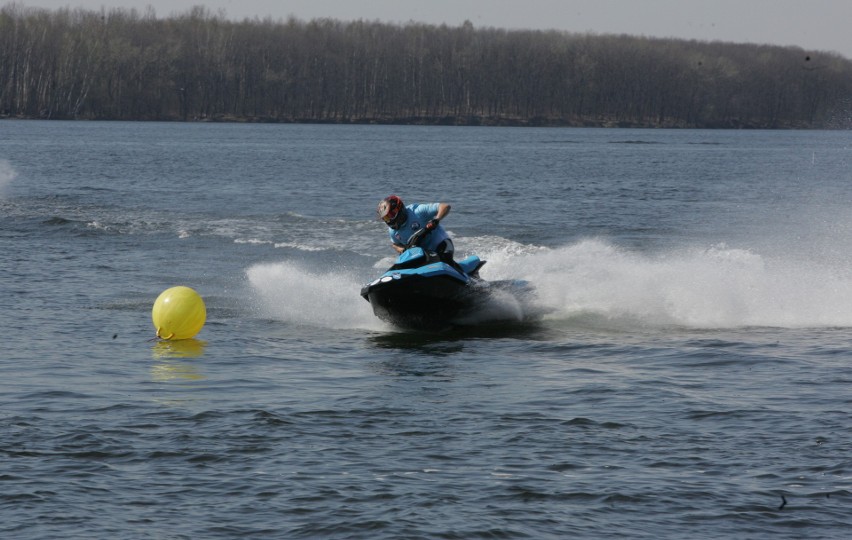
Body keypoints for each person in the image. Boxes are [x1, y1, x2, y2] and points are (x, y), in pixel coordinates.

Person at [376, 194, 458, 267]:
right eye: (386, 218)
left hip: (441, 244)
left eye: (390, 215)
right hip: (421, 254)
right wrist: (403, 249)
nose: (389, 220)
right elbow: (395, 244)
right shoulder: (393, 232)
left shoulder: (417, 211)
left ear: (399, 209)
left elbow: (445, 206)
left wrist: (436, 220)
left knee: (444, 262)